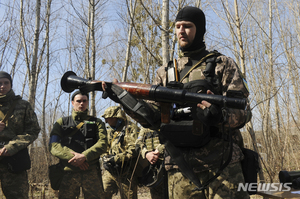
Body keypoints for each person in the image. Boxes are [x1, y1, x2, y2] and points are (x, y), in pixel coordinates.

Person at [102, 6, 252, 199]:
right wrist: (124, 100)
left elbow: (243, 112)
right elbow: (152, 118)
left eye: (187, 26)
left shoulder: (222, 64)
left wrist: (219, 116)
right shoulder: (165, 72)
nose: (181, 31)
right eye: (178, 26)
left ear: (200, 29)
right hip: (180, 166)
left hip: (222, 164)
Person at [49, 90, 107, 199]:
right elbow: (53, 145)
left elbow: (103, 144)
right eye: (78, 101)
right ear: (72, 102)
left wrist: (84, 156)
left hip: (91, 171)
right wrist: (75, 158)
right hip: (68, 172)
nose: (81, 103)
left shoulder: (97, 122)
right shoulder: (62, 122)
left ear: (88, 102)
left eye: (84, 101)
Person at [0, 71, 40, 199]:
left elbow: (33, 130)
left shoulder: (23, 105)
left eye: (6, 83)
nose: (3, 86)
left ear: (11, 85)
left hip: (14, 159)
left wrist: (12, 146)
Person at [101, 106, 139, 199]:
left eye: (107, 119)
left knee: (128, 197)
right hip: (110, 170)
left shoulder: (130, 128)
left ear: (115, 118)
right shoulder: (110, 131)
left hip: (126, 171)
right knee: (102, 193)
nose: (106, 121)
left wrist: (116, 159)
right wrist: (105, 158)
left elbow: (133, 150)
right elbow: (104, 147)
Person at [135, 127, 167, 199]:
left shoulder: (165, 122)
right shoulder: (145, 128)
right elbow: (138, 143)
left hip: (168, 165)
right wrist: (146, 153)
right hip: (154, 169)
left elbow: (171, 139)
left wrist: (159, 150)